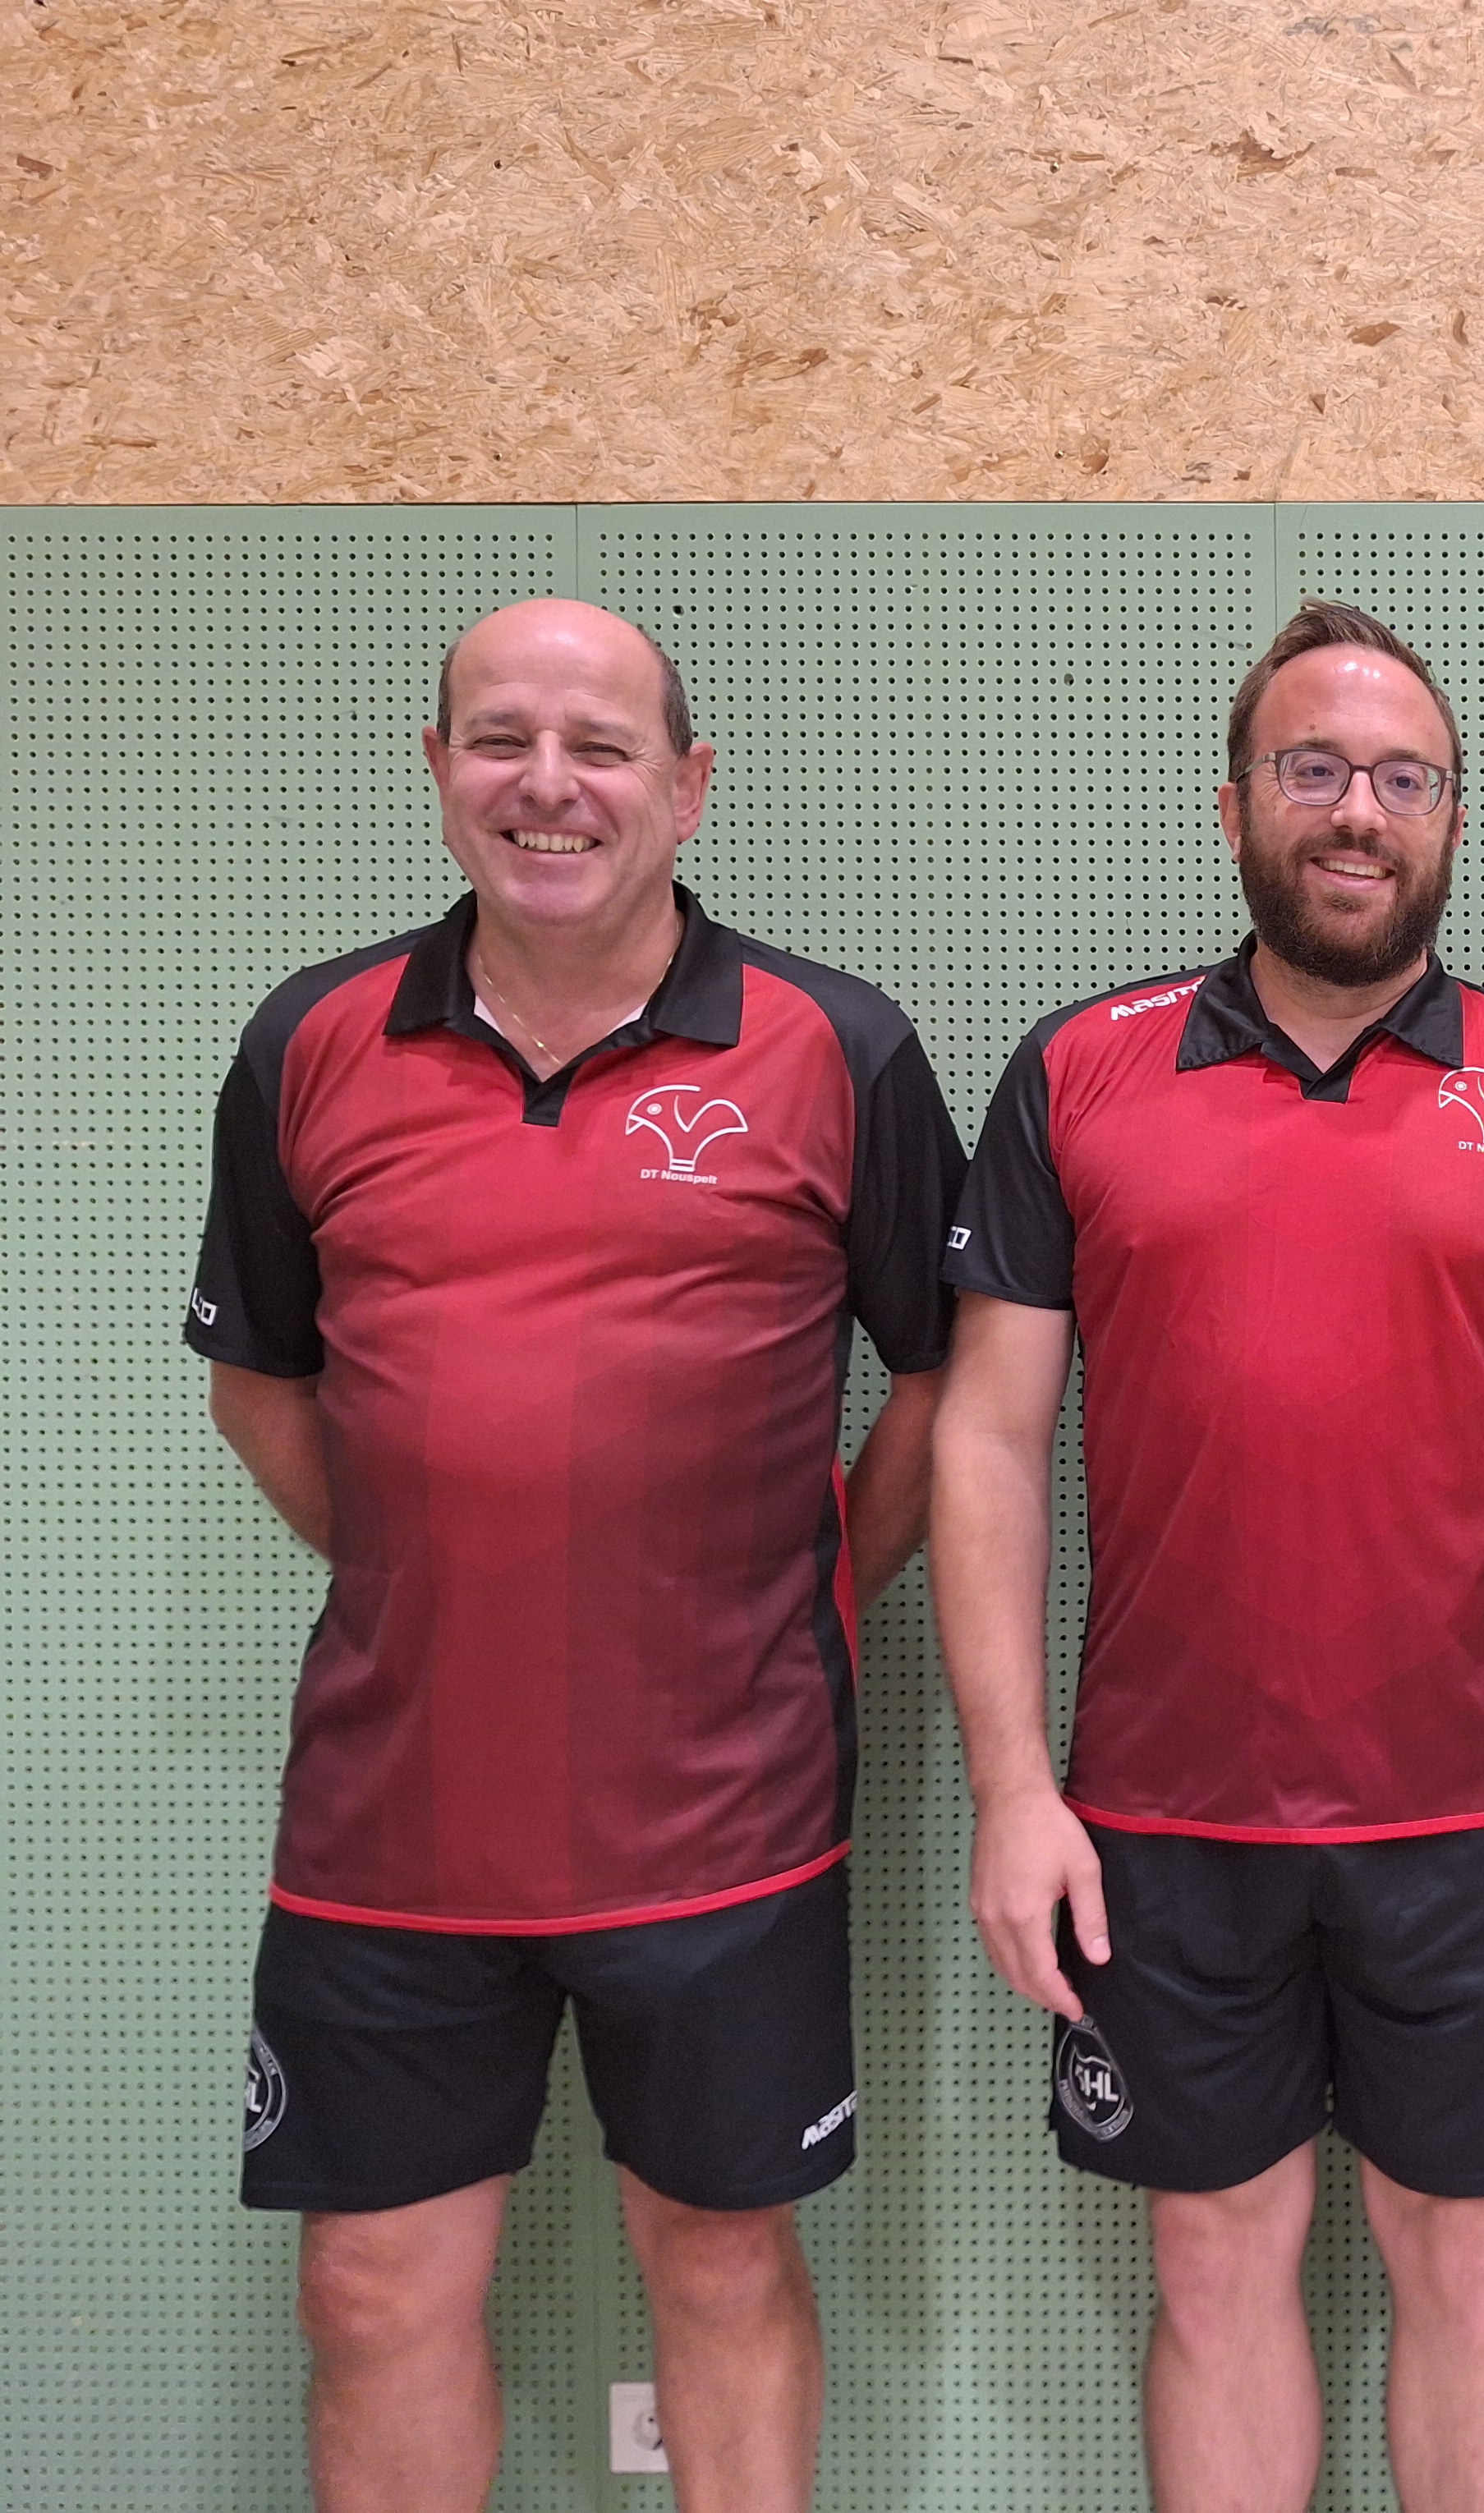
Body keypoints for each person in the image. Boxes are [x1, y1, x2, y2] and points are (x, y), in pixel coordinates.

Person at [187, 598, 964, 2513]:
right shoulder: (310, 1042)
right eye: (502, 738)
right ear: (438, 770)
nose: (550, 785)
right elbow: (261, 1385)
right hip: (394, 1821)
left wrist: (811, 1586)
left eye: (601, 746)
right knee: (370, 2291)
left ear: (687, 788)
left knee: (719, 2266)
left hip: (724, 1818)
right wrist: (435, 1570)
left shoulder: (838, 1048)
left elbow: (952, 1389)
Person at [931, 599, 1484, 2513]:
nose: (1359, 811)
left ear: (1454, 819)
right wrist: (1014, 1792)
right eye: (1316, 770)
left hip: (1481, 1824)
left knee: (1464, 2266)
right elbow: (989, 1441)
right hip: (1163, 1821)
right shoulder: (1079, 1074)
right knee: (1209, 2269)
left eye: (1404, 780)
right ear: (1236, 804)